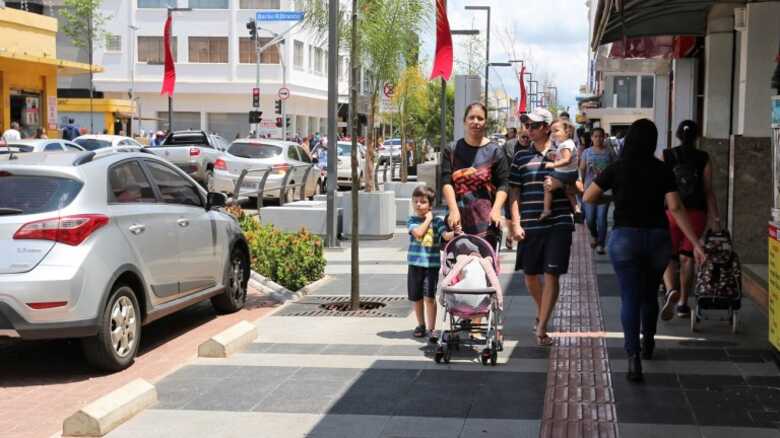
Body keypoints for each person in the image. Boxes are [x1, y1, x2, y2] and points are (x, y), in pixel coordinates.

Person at [583, 118, 706, 383]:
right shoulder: (662, 170)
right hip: (658, 239)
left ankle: (633, 358)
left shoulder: (617, 168)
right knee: (649, 295)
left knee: (630, 298)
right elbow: (674, 207)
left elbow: (588, 197)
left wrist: (615, 196)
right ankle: (648, 343)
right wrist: (695, 242)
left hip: (625, 239)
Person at [509, 107, 574, 347]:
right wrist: (514, 223)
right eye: (527, 125)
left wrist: (560, 183)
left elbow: (577, 186)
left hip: (558, 222)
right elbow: (514, 191)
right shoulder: (520, 157)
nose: (530, 129)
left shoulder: (562, 153)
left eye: (534, 125)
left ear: (547, 127)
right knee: (530, 277)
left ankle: (543, 325)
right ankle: (543, 311)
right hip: (529, 222)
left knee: (551, 274)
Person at [661, 120, 721, 319]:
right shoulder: (704, 157)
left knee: (668, 255)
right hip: (696, 213)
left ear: (678, 135)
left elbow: (660, 186)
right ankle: (683, 303)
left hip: (671, 211)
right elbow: (708, 190)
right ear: (697, 136)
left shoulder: (667, 155)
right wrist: (715, 218)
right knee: (687, 256)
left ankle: (670, 289)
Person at [441, 102, 510, 249]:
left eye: (480, 118)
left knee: (485, 267)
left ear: (485, 122)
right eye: (471, 117)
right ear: (464, 121)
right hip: (457, 220)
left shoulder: (495, 151)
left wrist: (497, 209)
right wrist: (453, 210)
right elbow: (446, 182)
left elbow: (504, 184)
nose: (475, 122)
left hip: (486, 223)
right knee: (457, 269)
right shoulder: (452, 150)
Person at [407, 185, 454, 340]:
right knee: (417, 297)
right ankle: (421, 325)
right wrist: (428, 219)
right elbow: (419, 233)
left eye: (423, 202)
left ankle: (432, 328)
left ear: (430, 205)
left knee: (429, 297)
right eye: (416, 202)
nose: (418, 205)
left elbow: (445, 236)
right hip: (415, 265)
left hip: (431, 267)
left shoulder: (438, 222)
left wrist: (454, 232)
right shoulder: (412, 221)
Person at [579, 128, 617, 254]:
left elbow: (616, 169)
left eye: (601, 136)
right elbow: (582, 169)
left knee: (601, 218)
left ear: (604, 137)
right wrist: (581, 185)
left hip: (605, 191)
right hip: (589, 189)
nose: (598, 139)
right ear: (591, 138)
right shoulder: (586, 152)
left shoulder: (610, 152)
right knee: (590, 219)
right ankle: (594, 236)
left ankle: (601, 244)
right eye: (595, 136)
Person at [539, 119, 579, 221]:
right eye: (552, 131)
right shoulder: (568, 143)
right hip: (571, 174)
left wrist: (553, 164)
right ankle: (577, 209)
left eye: (556, 130)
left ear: (567, 131)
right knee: (570, 192)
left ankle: (546, 209)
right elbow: (564, 157)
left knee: (547, 185)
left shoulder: (564, 145)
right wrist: (555, 155)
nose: (553, 134)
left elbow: (566, 160)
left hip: (564, 174)